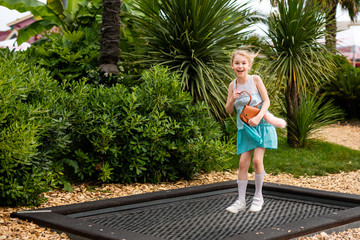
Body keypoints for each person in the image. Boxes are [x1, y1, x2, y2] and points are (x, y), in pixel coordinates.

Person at [225, 49, 280, 213]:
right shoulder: (232, 85)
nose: (240, 66)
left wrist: (258, 117)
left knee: (257, 161)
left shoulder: (255, 79)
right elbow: (228, 110)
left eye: (243, 63)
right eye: (237, 63)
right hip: (244, 128)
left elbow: (267, 101)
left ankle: (258, 197)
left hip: (260, 125)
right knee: (243, 163)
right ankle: (241, 201)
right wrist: (232, 99)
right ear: (232, 65)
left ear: (249, 65)